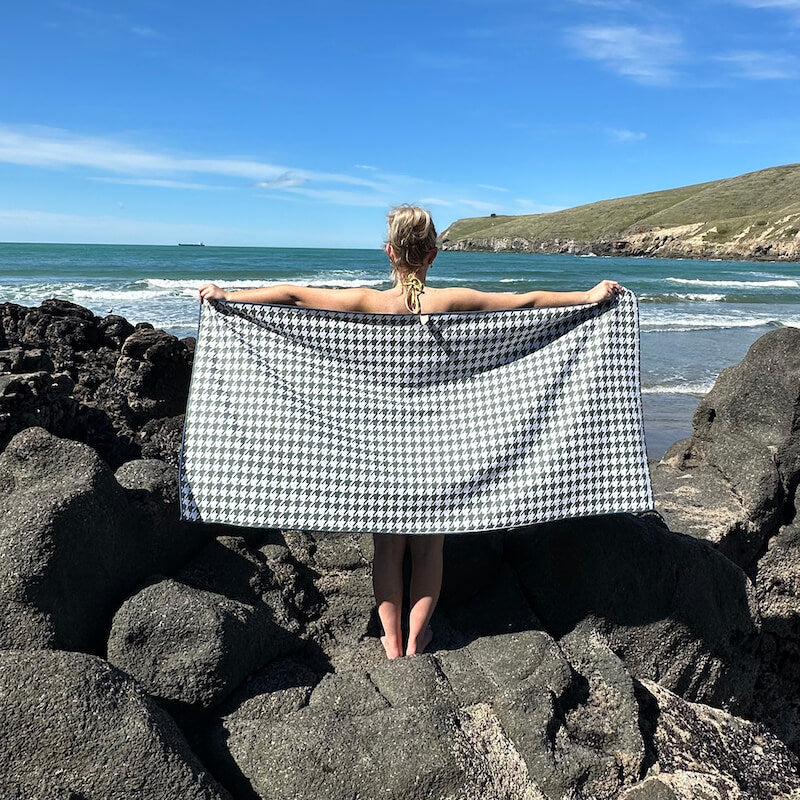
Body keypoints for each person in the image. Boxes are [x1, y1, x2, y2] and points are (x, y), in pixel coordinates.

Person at [198, 204, 622, 660]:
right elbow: (529, 303)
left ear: (389, 253)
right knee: (429, 550)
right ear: (432, 255)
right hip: (439, 452)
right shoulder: (450, 301)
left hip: (378, 452)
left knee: (386, 550)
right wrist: (590, 294)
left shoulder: (367, 302)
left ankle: (391, 640)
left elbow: (295, 297)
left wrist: (229, 294)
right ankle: (419, 635)